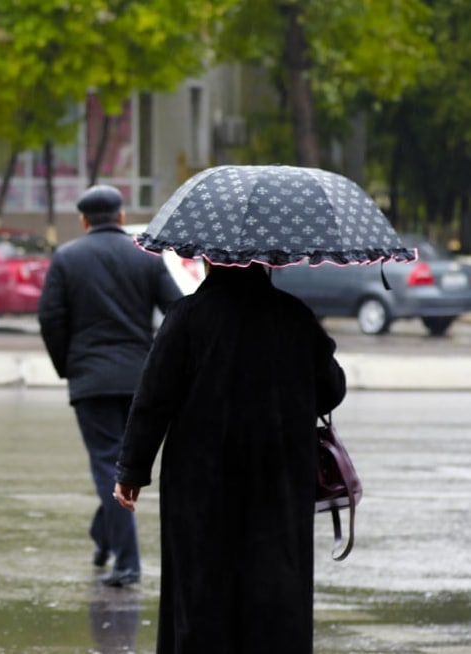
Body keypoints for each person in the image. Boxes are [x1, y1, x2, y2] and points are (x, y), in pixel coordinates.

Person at [113, 264, 347, 653]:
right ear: (268, 262)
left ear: (210, 260)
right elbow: (331, 391)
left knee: (200, 582)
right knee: (276, 583)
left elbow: (154, 398)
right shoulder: (294, 315)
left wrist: (132, 470)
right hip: (280, 477)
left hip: (200, 481)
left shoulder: (187, 316)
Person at [38, 184, 182, 587]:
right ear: (120, 217)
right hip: (141, 378)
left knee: (109, 466)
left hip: (92, 380)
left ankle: (128, 563)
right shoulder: (147, 256)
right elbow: (176, 310)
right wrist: (162, 362)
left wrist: (67, 365)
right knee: (120, 464)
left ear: (84, 221)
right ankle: (105, 536)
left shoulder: (66, 258)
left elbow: (50, 317)